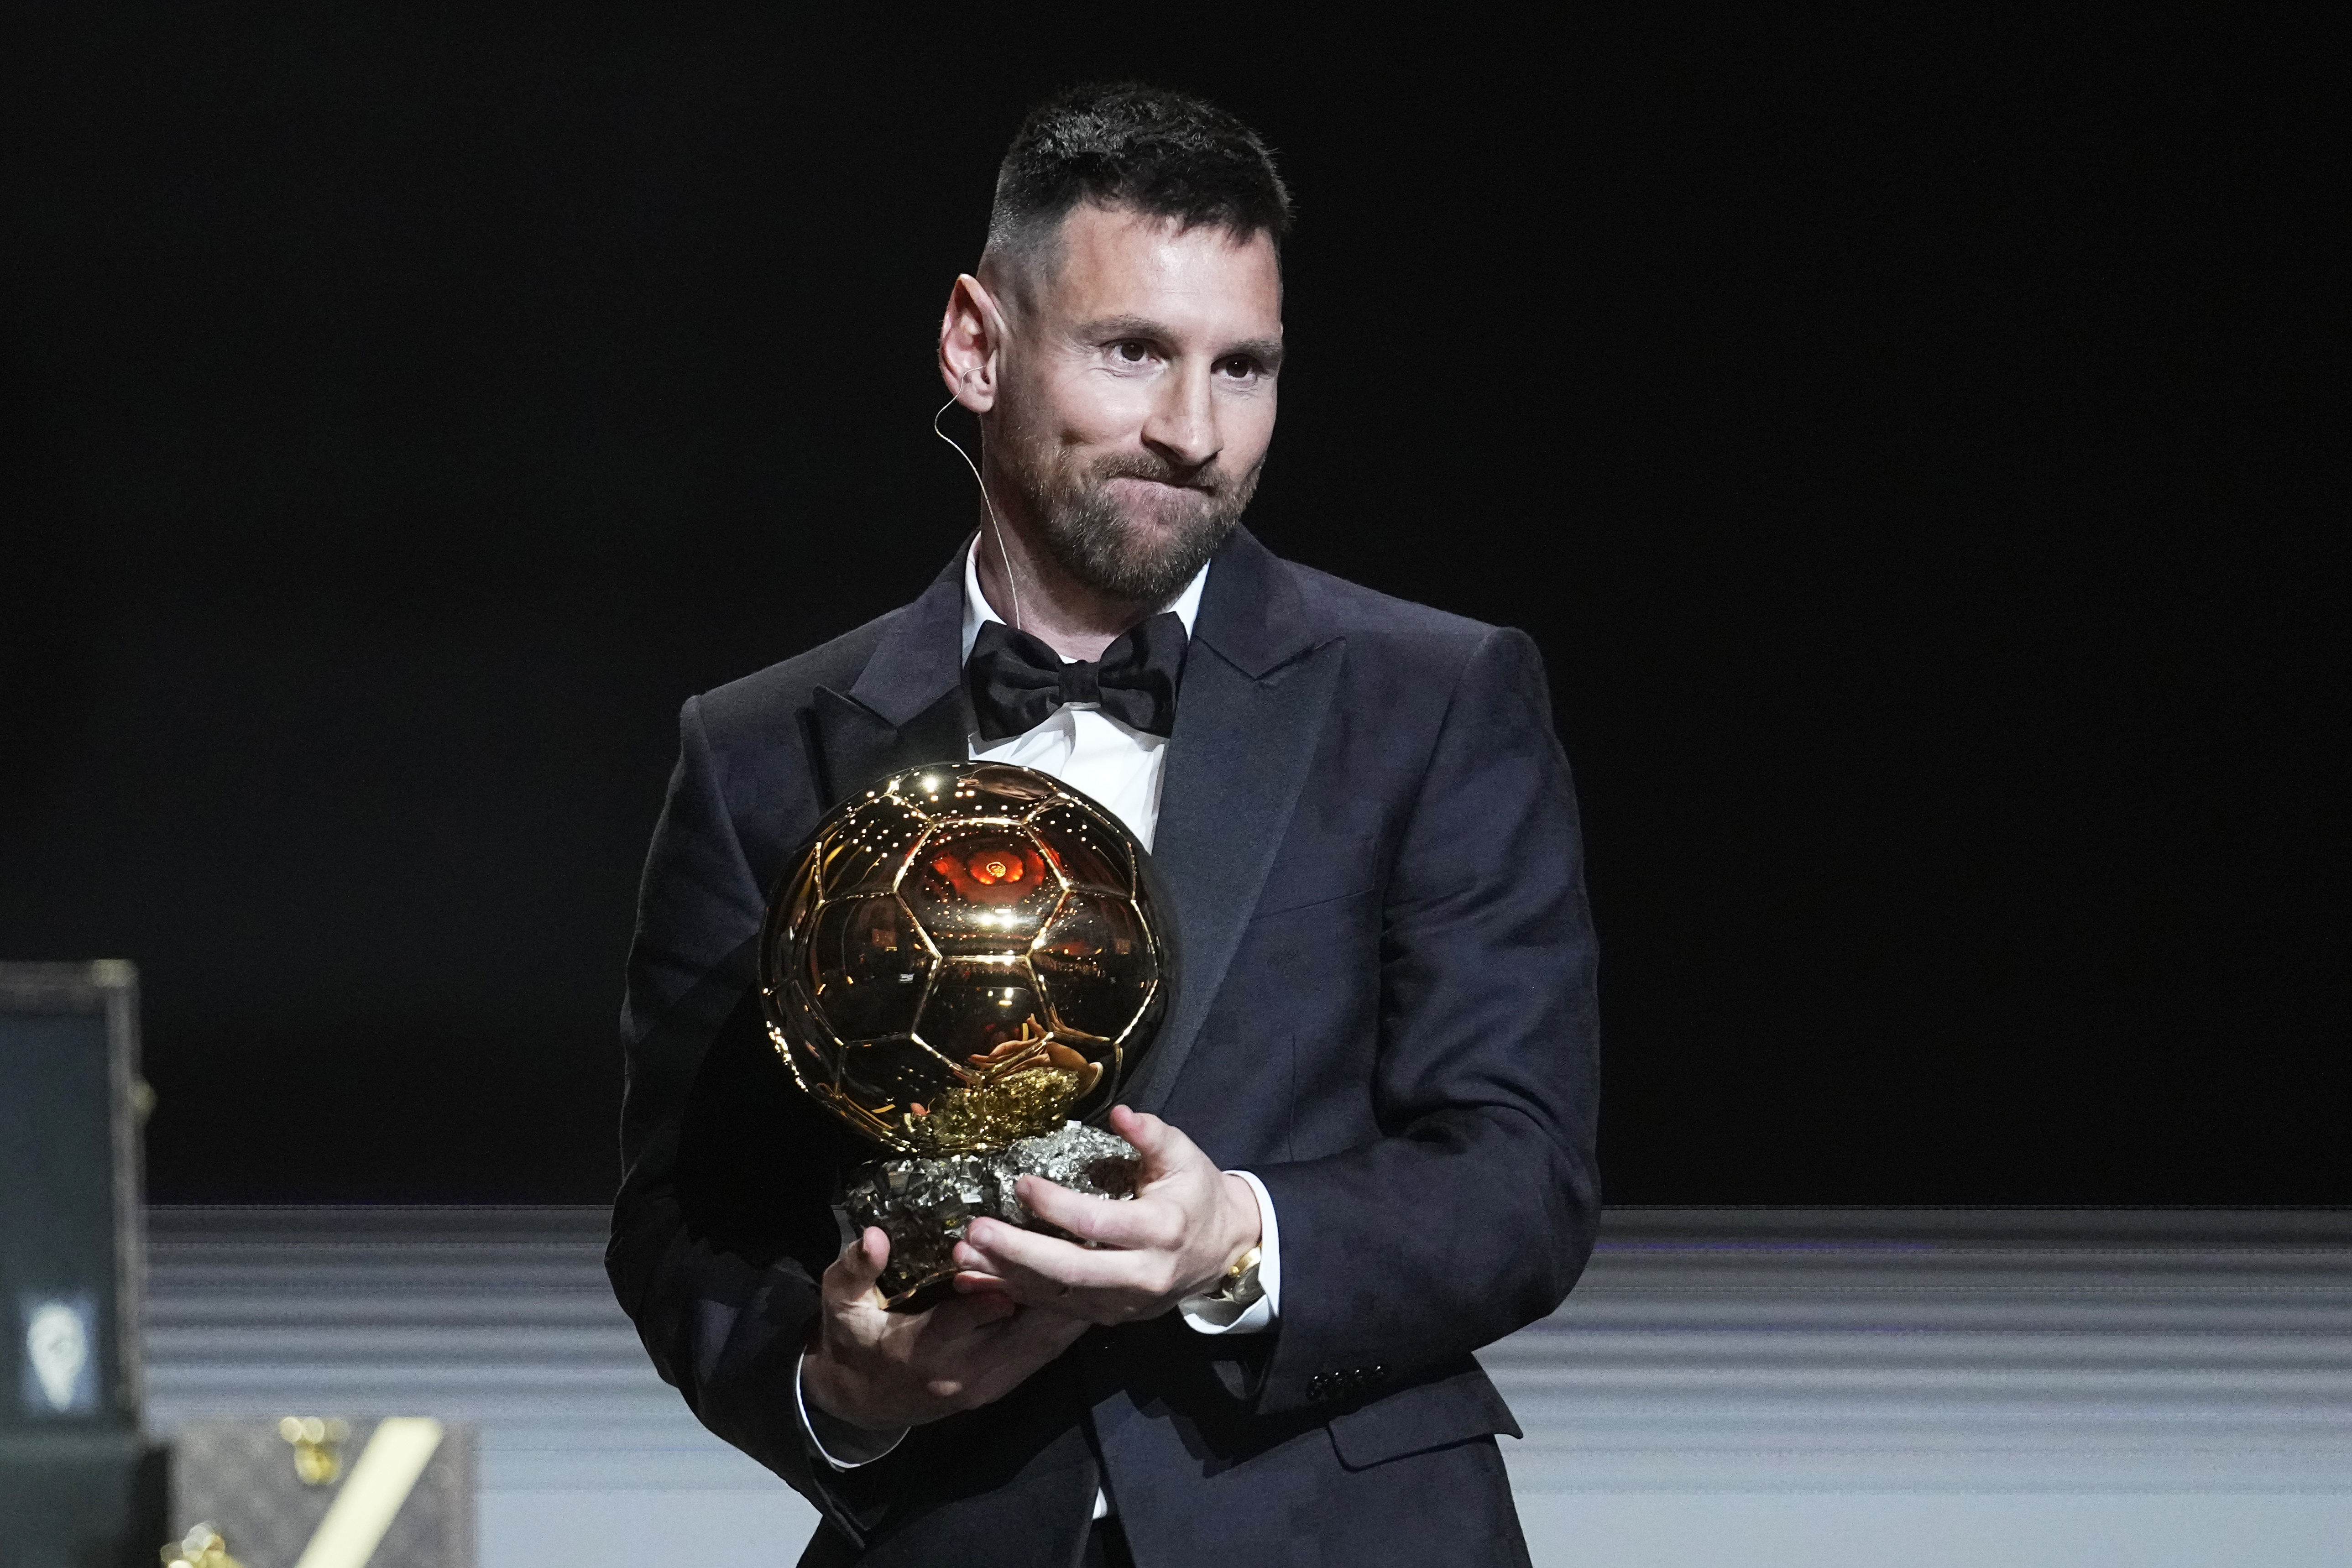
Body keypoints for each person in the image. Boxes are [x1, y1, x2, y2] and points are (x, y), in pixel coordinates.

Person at [608, 81, 1600, 1567]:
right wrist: (837, 1388)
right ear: (975, 342)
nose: (1193, 429)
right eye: (1133, 352)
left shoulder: (1437, 694)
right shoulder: (760, 746)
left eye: (1244, 367)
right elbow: (683, 1218)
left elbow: (1521, 1171)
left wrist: (1236, 1240)